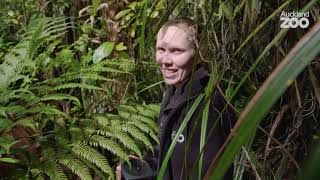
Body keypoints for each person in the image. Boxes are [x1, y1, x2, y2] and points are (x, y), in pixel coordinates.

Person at [116, 18, 235, 180]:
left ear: (200, 53)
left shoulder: (208, 103)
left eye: (176, 51)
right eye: (161, 49)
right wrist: (143, 168)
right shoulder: (173, 91)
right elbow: (166, 157)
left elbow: (214, 172)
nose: (165, 60)